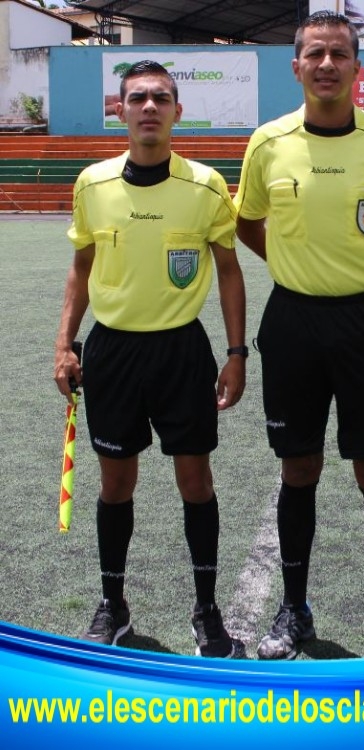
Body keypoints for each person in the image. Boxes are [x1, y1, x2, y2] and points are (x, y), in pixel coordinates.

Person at [235, 11, 364, 659]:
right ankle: (293, 609)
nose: (327, 64)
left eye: (339, 54)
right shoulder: (268, 142)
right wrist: (291, 265)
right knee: (299, 466)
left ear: (357, 67)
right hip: (291, 322)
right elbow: (246, 221)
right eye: (315, 54)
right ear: (296, 66)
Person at [53, 60, 247, 658]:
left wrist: (236, 353)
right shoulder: (92, 184)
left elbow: (229, 270)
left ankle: (207, 610)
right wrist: (64, 344)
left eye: (161, 98)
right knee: (116, 481)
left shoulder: (206, 185)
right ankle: (112, 604)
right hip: (112, 350)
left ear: (177, 112)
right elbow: (81, 266)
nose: (149, 107)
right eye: (137, 98)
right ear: (120, 110)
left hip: (181, 350)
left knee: (196, 480)